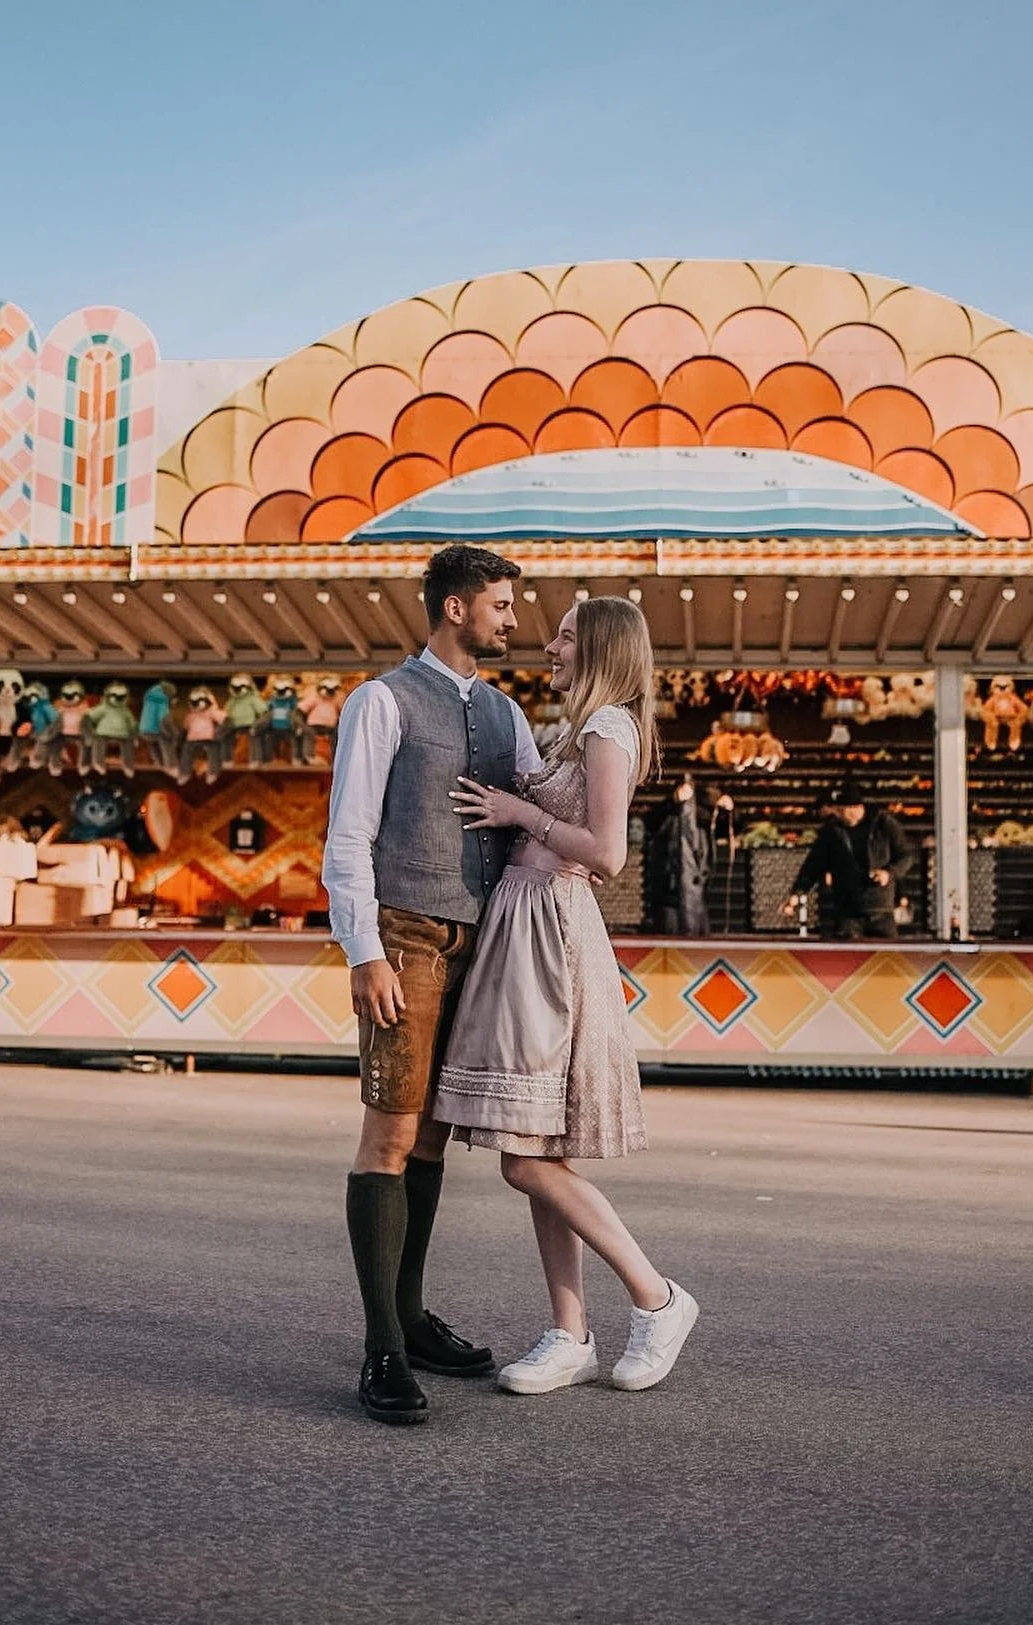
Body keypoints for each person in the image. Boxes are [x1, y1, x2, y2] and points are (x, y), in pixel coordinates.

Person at [433, 597, 699, 1396]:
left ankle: (657, 1295)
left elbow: (609, 853)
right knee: (543, 1150)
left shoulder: (609, 728)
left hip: (551, 928)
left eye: (568, 636)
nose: (549, 645)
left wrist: (518, 811)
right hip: (528, 925)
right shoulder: (576, 727)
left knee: (525, 1158)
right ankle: (569, 1331)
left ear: (603, 649)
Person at [322, 544, 543, 1425]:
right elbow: (348, 835)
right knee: (390, 1132)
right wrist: (362, 950)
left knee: (433, 1139)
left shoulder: (505, 713)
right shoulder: (380, 701)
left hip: (480, 940)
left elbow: (542, 807)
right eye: (499, 604)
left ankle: (410, 1317)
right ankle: (381, 1344)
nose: (510, 619)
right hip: (406, 929)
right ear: (455, 608)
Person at [782, 779, 913, 939]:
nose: (836, 814)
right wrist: (798, 892)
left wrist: (889, 873)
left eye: (840, 810)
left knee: (887, 955)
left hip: (880, 909)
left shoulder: (884, 824)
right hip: (847, 910)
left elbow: (905, 856)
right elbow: (813, 865)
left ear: (854, 809)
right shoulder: (831, 832)